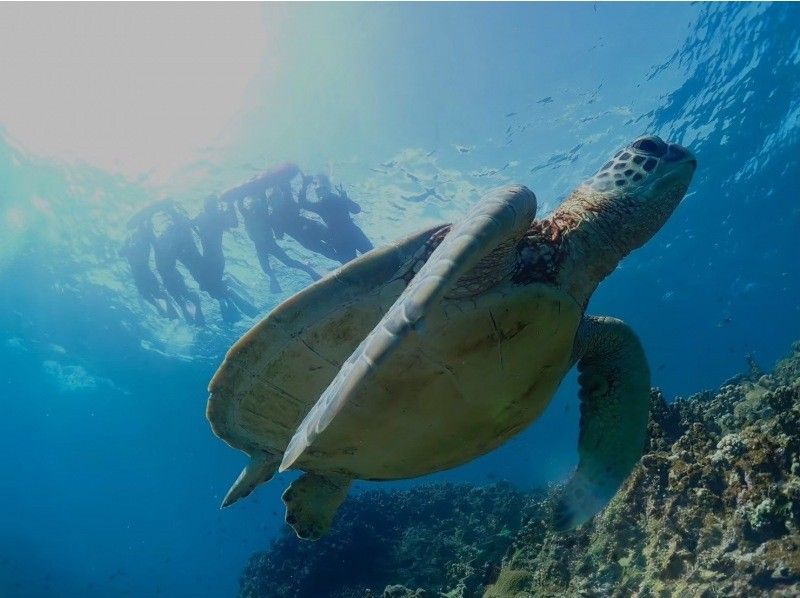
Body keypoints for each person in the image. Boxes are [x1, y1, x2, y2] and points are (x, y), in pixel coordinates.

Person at [236, 192, 320, 293]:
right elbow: (240, 205)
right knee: (266, 268)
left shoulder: (263, 213)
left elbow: (262, 199)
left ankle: (310, 271)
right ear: (250, 207)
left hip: (270, 244)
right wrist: (239, 196)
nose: (254, 209)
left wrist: (259, 189)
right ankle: (274, 280)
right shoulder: (247, 216)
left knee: (288, 262)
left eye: (256, 206)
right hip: (259, 247)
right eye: (253, 207)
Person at [193, 195, 258, 322]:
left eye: (211, 204)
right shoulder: (208, 217)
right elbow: (190, 223)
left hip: (215, 260)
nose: (209, 207)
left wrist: (230, 204)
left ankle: (235, 300)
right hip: (210, 259)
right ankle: (234, 299)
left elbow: (234, 223)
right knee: (208, 288)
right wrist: (230, 204)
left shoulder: (215, 217)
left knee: (212, 288)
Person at [150, 201, 206, 326]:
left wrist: (169, 209)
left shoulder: (170, 244)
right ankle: (190, 316)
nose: (164, 235)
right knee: (178, 299)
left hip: (174, 275)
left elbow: (174, 250)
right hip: (167, 278)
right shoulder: (159, 243)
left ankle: (197, 307)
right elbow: (150, 234)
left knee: (185, 294)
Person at [299, 174, 373, 263]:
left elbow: (356, 209)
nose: (320, 192)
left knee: (372, 256)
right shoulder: (320, 205)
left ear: (328, 188)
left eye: (323, 188)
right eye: (317, 190)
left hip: (352, 233)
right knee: (351, 264)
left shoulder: (338, 199)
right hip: (339, 239)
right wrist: (304, 186)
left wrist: (345, 198)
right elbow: (303, 204)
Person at [120, 216, 178, 319]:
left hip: (145, 272)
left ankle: (168, 305)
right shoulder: (131, 243)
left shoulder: (143, 241)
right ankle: (159, 306)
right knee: (145, 294)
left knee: (156, 293)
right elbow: (121, 253)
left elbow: (149, 236)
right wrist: (127, 245)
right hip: (138, 275)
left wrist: (146, 222)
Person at [268, 181, 341, 262]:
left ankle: (346, 259)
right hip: (313, 230)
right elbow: (279, 235)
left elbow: (279, 235)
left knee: (334, 249)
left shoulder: (274, 217)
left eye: (278, 198)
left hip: (309, 235)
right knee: (335, 248)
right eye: (276, 200)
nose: (278, 201)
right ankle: (346, 260)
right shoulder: (281, 210)